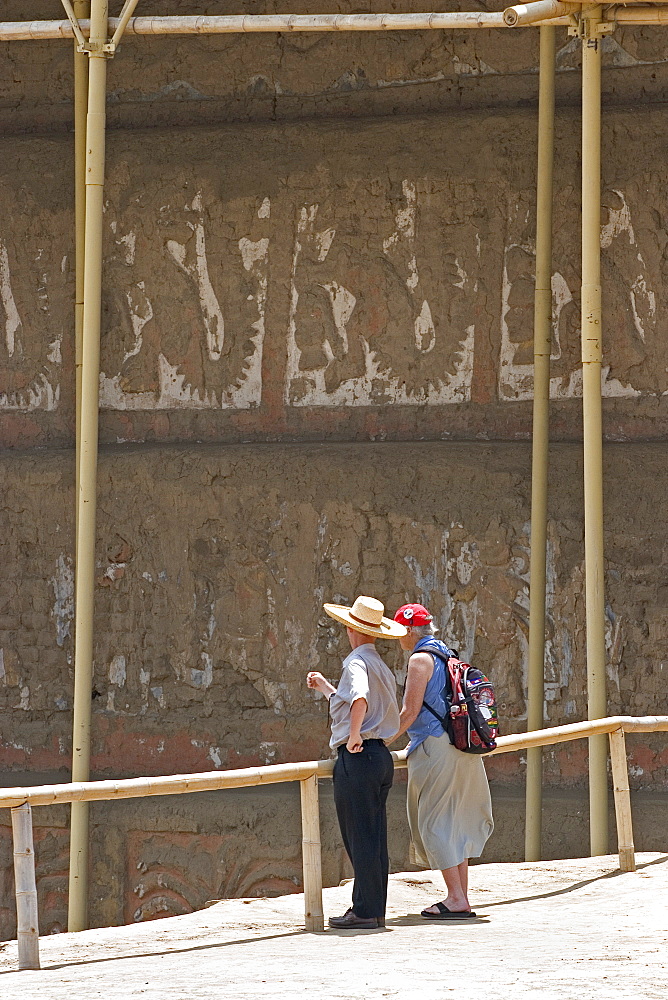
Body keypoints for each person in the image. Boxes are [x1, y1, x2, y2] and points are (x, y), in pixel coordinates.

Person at [306, 594, 406, 929]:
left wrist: (353, 735)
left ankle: (364, 911)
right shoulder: (379, 664)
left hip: (359, 756)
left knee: (359, 835)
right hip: (380, 756)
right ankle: (372, 908)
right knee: (374, 836)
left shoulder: (355, 663)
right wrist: (327, 690)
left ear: (351, 629)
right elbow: (357, 700)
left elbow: (359, 699)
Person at [389, 603, 493, 919]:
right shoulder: (448, 654)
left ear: (408, 631)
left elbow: (409, 711)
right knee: (455, 822)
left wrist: (381, 742)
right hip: (462, 745)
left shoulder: (420, 659)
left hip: (436, 747)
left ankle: (456, 899)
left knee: (434, 822)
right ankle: (459, 896)